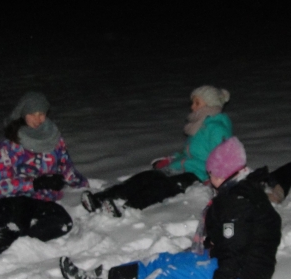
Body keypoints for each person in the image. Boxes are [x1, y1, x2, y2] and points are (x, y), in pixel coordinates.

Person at [60, 137, 281, 279]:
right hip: (230, 261)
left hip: (242, 276)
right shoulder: (239, 190)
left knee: (171, 277)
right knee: (163, 260)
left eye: (212, 172)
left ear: (224, 173)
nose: (209, 176)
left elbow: (233, 251)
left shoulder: (237, 202)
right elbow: (234, 239)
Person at [80, 85, 233, 217]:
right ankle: (100, 199)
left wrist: (215, 182)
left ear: (210, 105)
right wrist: (170, 159)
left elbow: (224, 158)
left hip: (197, 176)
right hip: (181, 169)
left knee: (160, 187)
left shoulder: (217, 129)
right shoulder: (199, 127)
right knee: (145, 177)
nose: (192, 107)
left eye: (197, 103)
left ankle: (126, 209)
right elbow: (187, 153)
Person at [0, 91, 89, 255]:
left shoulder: (54, 140)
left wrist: (83, 185)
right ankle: (2, 239)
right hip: (15, 202)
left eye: (42, 114)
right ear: (23, 114)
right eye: (32, 114)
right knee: (20, 221)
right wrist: (35, 183)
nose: (38, 119)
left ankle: (12, 240)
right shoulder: (9, 146)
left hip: (42, 202)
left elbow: (67, 169)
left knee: (63, 223)